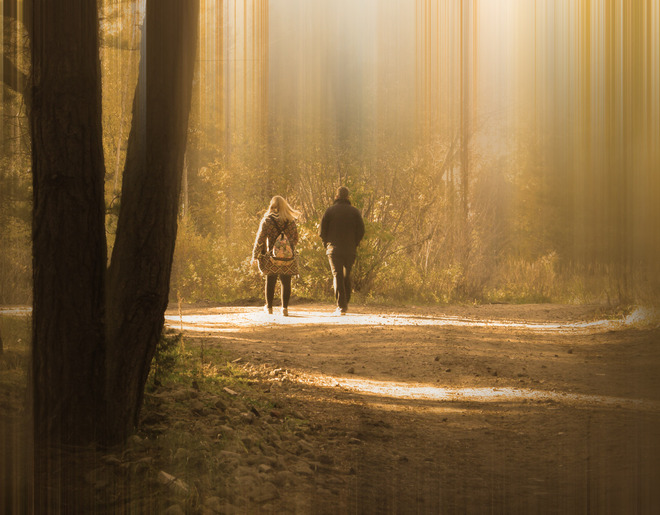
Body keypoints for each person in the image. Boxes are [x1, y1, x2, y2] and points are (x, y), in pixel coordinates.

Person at [252, 196, 300, 316]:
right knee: (286, 280)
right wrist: (288, 248)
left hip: (271, 257)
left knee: (271, 279)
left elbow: (260, 238)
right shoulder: (291, 220)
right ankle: (284, 308)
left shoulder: (267, 220)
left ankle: (269, 308)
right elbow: (296, 238)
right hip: (288, 257)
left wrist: (255, 255)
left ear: (272, 205)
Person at [320, 186, 365, 315]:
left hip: (334, 249)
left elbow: (322, 230)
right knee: (346, 275)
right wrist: (355, 243)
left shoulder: (330, 211)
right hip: (349, 249)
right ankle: (345, 302)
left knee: (337, 275)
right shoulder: (354, 212)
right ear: (348, 197)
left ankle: (341, 306)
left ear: (336, 196)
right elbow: (361, 230)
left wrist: (326, 244)